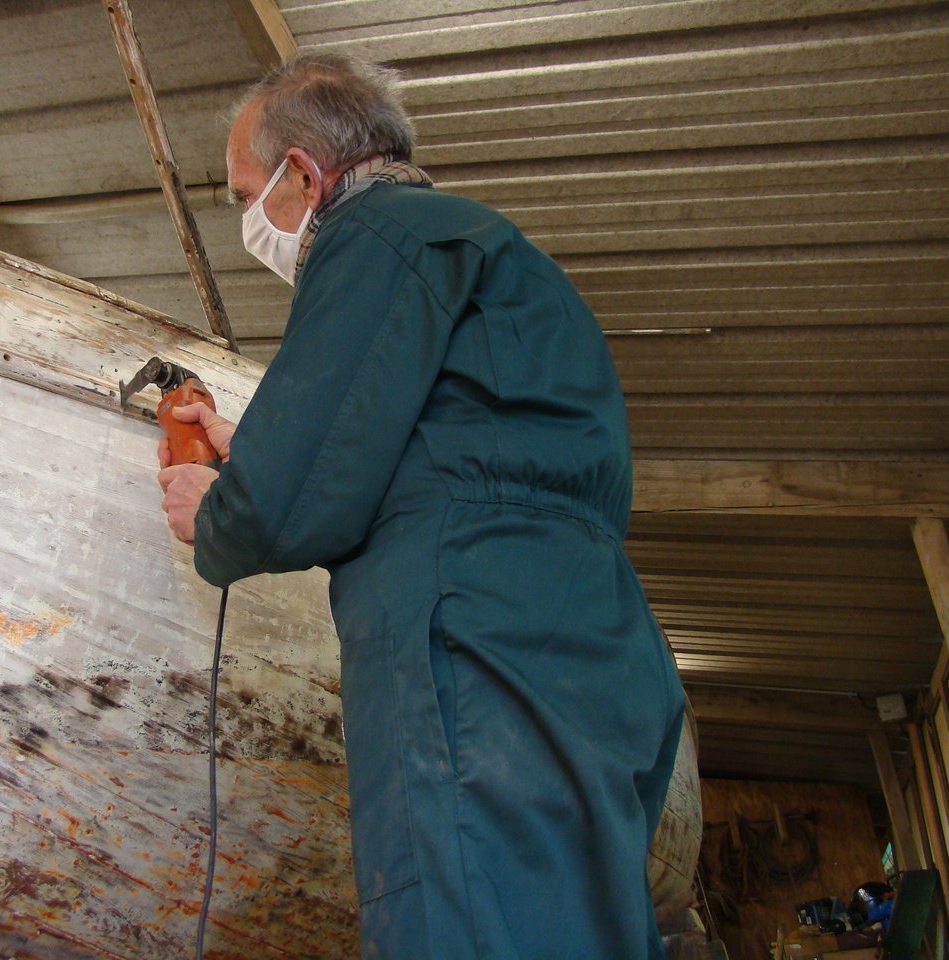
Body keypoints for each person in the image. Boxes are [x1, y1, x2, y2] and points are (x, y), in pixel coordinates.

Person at [157, 52, 685, 960]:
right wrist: (259, 447)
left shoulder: (373, 235)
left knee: (462, 923)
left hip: (474, 647)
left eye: (248, 195)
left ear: (304, 176)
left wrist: (217, 511)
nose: (250, 219)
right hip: (590, 643)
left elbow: (281, 510)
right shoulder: (486, 251)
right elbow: (441, 451)